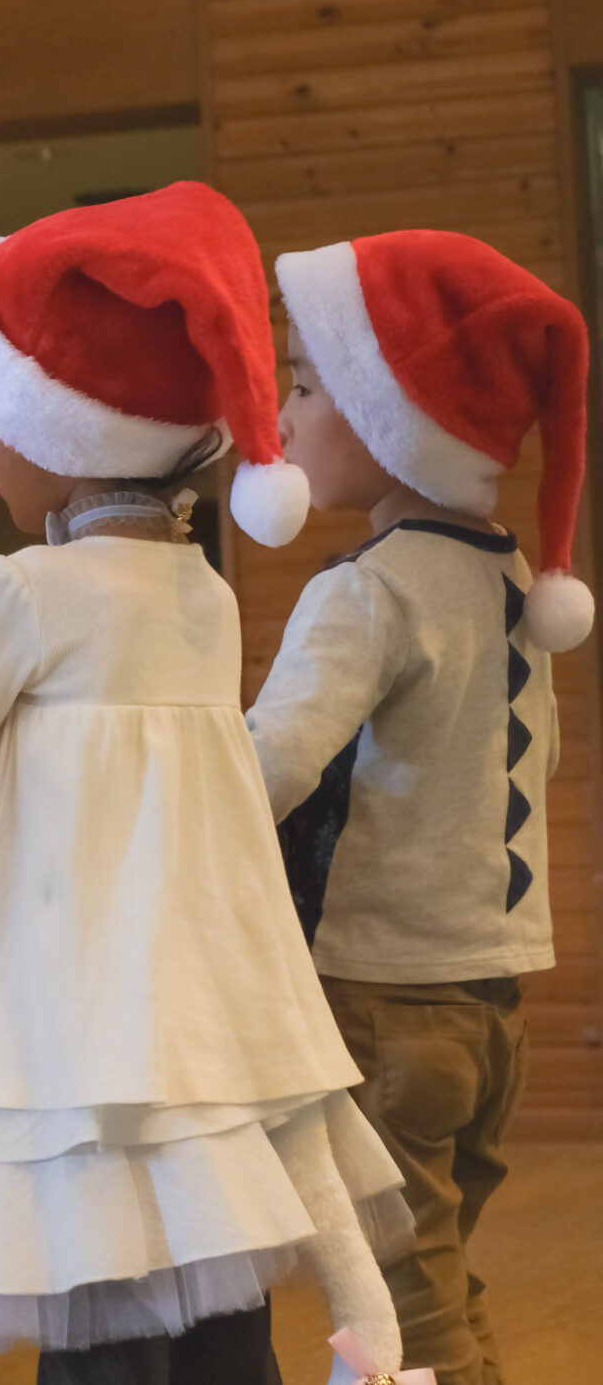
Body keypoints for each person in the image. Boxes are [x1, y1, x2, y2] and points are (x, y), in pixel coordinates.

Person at [0, 182, 412, 1385]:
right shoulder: (202, 597)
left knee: (96, 1314)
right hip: (198, 1015)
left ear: (45, 432)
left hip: (67, 1026)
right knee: (217, 1296)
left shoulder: (23, 592)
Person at [249, 229, 589, 1385]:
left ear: (389, 419)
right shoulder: (509, 585)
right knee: (437, 1278)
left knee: (403, 1307)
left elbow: (269, 770)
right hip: (491, 1010)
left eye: (303, 386)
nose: (281, 418)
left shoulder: (366, 591)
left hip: (383, 1004)